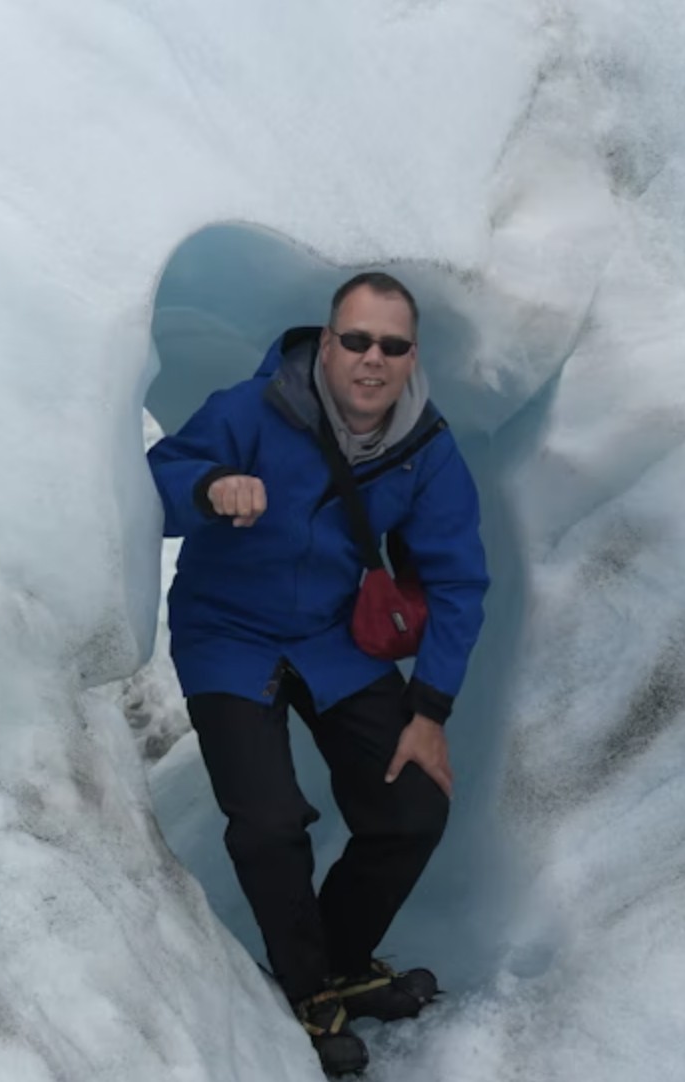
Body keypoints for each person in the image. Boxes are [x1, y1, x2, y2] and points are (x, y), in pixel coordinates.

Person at [147, 272, 488, 1074]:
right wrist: (210, 486)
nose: (373, 359)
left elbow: (457, 581)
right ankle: (305, 993)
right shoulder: (250, 409)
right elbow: (159, 479)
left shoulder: (425, 449)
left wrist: (429, 711)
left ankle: (338, 962)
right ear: (327, 344)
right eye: (357, 340)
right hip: (228, 634)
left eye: (392, 346)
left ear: (411, 358)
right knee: (268, 823)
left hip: (334, 637)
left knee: (413, 805)